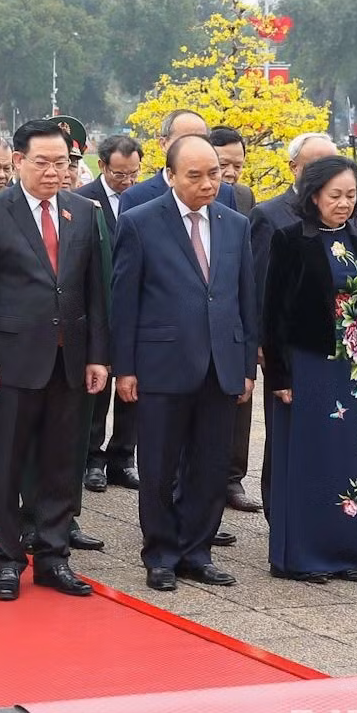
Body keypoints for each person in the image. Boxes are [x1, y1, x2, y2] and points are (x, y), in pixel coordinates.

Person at [0, 120, 111, 600]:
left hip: (70, 360)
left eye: (63, 163)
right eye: (43, 162)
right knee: (5, 464)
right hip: (11, 361)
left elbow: (95, 292)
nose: (54, 172)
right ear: (19, 161)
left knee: (62, 464)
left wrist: (98, 357)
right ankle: (6, 560)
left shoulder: (84, 212)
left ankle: (53, 556)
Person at [111, 134, 257, 592]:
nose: (208, 183)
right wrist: (125, 367)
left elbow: (245, 299)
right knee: (157, 464)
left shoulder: (234, 224)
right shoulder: (139, 222)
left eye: (214, 173)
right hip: (161, 364)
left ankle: (198, 550)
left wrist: (248, 363)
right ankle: (160, 554)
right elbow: (125, 300)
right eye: (195, 175)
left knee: (212, 464)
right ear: (170, 175)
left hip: (221, 362)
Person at [261, 155, 357, 583]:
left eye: (351, 195)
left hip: (352, 366)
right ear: (314, 196)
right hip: (308, 366)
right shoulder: (291, 241)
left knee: (349, 459)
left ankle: (345, 550)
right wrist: (280, 375)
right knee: (307, 458)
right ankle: (302, 556)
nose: (344, 203)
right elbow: (274, 314)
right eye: (335, 195)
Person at [245, 131, 338, 513]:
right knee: (286, 435)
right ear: (293, 167)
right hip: (288, 347)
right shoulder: (270, 215)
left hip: (335, 348)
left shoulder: (341, 214)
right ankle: (281, 512)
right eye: (315, 165)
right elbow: (259, 284)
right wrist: (261, 342)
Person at [79, 133, 139, 493]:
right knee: (97, 389)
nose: (127, 181)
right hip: (98, 308)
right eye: (120, 174)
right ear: (101, 166)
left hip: (133, 311)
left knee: (132, 386)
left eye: (133, 173)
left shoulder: (147, 199)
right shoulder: (83, 201)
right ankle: (92, 458)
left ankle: (123, 457)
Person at [117, 110, 239, 214]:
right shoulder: (135, 197)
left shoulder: (224, 193)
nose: (194, 146)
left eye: (201, 140)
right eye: (184, 139)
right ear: (163, 144)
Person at [208, 126, 257, 215]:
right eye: (223, 165)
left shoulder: (245, 196)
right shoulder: (188, 194)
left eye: (237, 166)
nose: (231, 173)